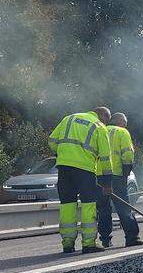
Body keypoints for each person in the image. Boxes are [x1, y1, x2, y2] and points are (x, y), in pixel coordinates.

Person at [48, 106, 112, 254]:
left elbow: (52, 140)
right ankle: (88, 244)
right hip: (85, 170)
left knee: (67, 204)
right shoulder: (99, 126)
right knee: (88, 204)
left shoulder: (68, 118)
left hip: (64, 168)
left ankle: (68, 243)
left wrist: (63, 154)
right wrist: (107, 183)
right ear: (103, 117)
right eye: (107, 122)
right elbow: (105, 158)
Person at [97, 112, 142, 247]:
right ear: (120, 122)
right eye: (125, 123)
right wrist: (126, 172)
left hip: (98, 175)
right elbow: (128, 153)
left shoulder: (100, 130)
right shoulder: (122, 132)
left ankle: (105, 239)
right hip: (116, 175)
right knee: (123, 206)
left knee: (103, 208)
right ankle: (132, 237)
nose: (125, 125)